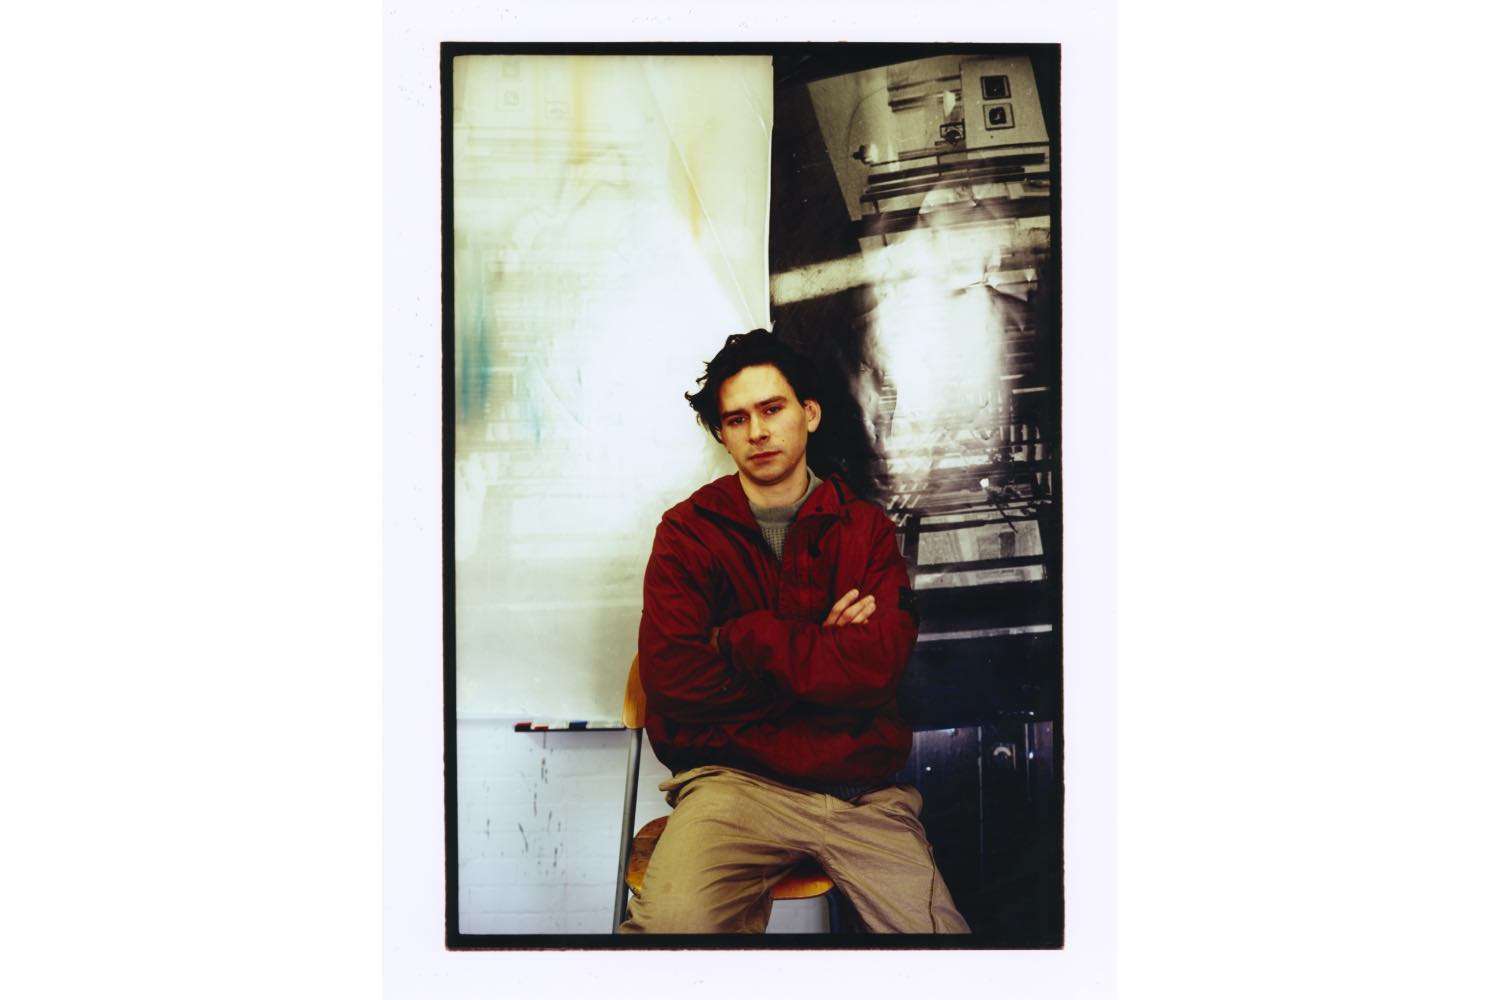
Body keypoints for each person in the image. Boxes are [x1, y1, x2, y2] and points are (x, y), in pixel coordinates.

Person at [618, 330, 970, 934]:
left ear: (809, 413)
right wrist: (822, 656)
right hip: (733, 785)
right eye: (737, 419)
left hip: (862, 791)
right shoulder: (686, 534)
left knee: (943, 953)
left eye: (772, 409)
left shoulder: (865, 531)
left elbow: (875, 670)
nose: (757, 431)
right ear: (721, 434)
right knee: (670, 935)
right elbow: (674, 682)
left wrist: (742, 638)